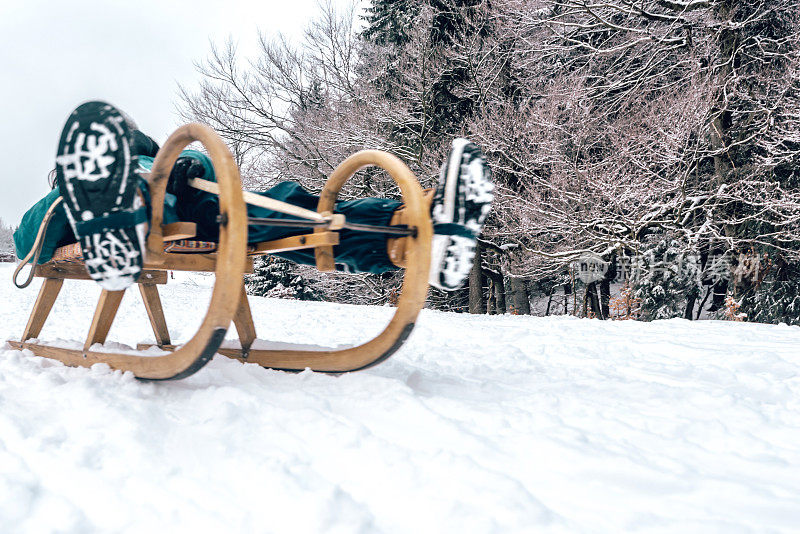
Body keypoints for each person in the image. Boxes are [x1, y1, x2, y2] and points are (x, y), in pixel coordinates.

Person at [14, 101, 493, 291]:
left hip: (187, 206)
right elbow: (27, 242)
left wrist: (182, 170)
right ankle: (117, 213)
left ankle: (419, 234)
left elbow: (201, 170)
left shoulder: (162, 160)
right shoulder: (63, 191)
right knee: (256, 209)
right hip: (105, 213)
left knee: (282, 211)